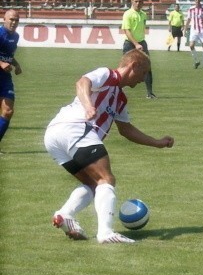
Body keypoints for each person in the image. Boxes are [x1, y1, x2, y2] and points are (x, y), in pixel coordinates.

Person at [44, 49, 174, 244]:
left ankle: (65, 215)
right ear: (133, 66)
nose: (143, 79)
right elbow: (82, 82)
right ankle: (105, 232)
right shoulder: (107, 75)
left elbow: (126, 130)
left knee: (93, 184)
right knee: (106, 178)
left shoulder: (120, 99)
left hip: (54, 136)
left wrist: (157, 143)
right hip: (75, 127)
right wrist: (88, 106)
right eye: (144, 72)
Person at [121, 0, 156, 98]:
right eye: (136, 1)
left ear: (143, 2)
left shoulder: (143, 14)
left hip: (142, 43)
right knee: (124, 68)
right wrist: (136, 44)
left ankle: (150, 93)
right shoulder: (127, 14)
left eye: (140, 1)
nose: (138, 3)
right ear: (132, 1)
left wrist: (140, 43)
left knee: (147, 67)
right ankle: (118, 90)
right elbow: (127, 30)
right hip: (130, 44)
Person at [0, 10, 22, 151]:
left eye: (16, 20)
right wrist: (1, 63)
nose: (14, 22)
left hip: (5, 77)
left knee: (8, 111)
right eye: (11, 19)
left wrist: (16, 64)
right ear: (4, 19)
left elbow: (8, 55)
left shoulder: (16, 36)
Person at [183, 0, 203, 69]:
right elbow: (188, 19)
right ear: (194, 1)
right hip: (194, 30)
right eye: (196, 0)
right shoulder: (191, 9)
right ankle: (196, 61)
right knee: (191, 45)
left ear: (200, 0)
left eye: (198, 0)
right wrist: (185, 29)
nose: (197, 1)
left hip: (202, 30)